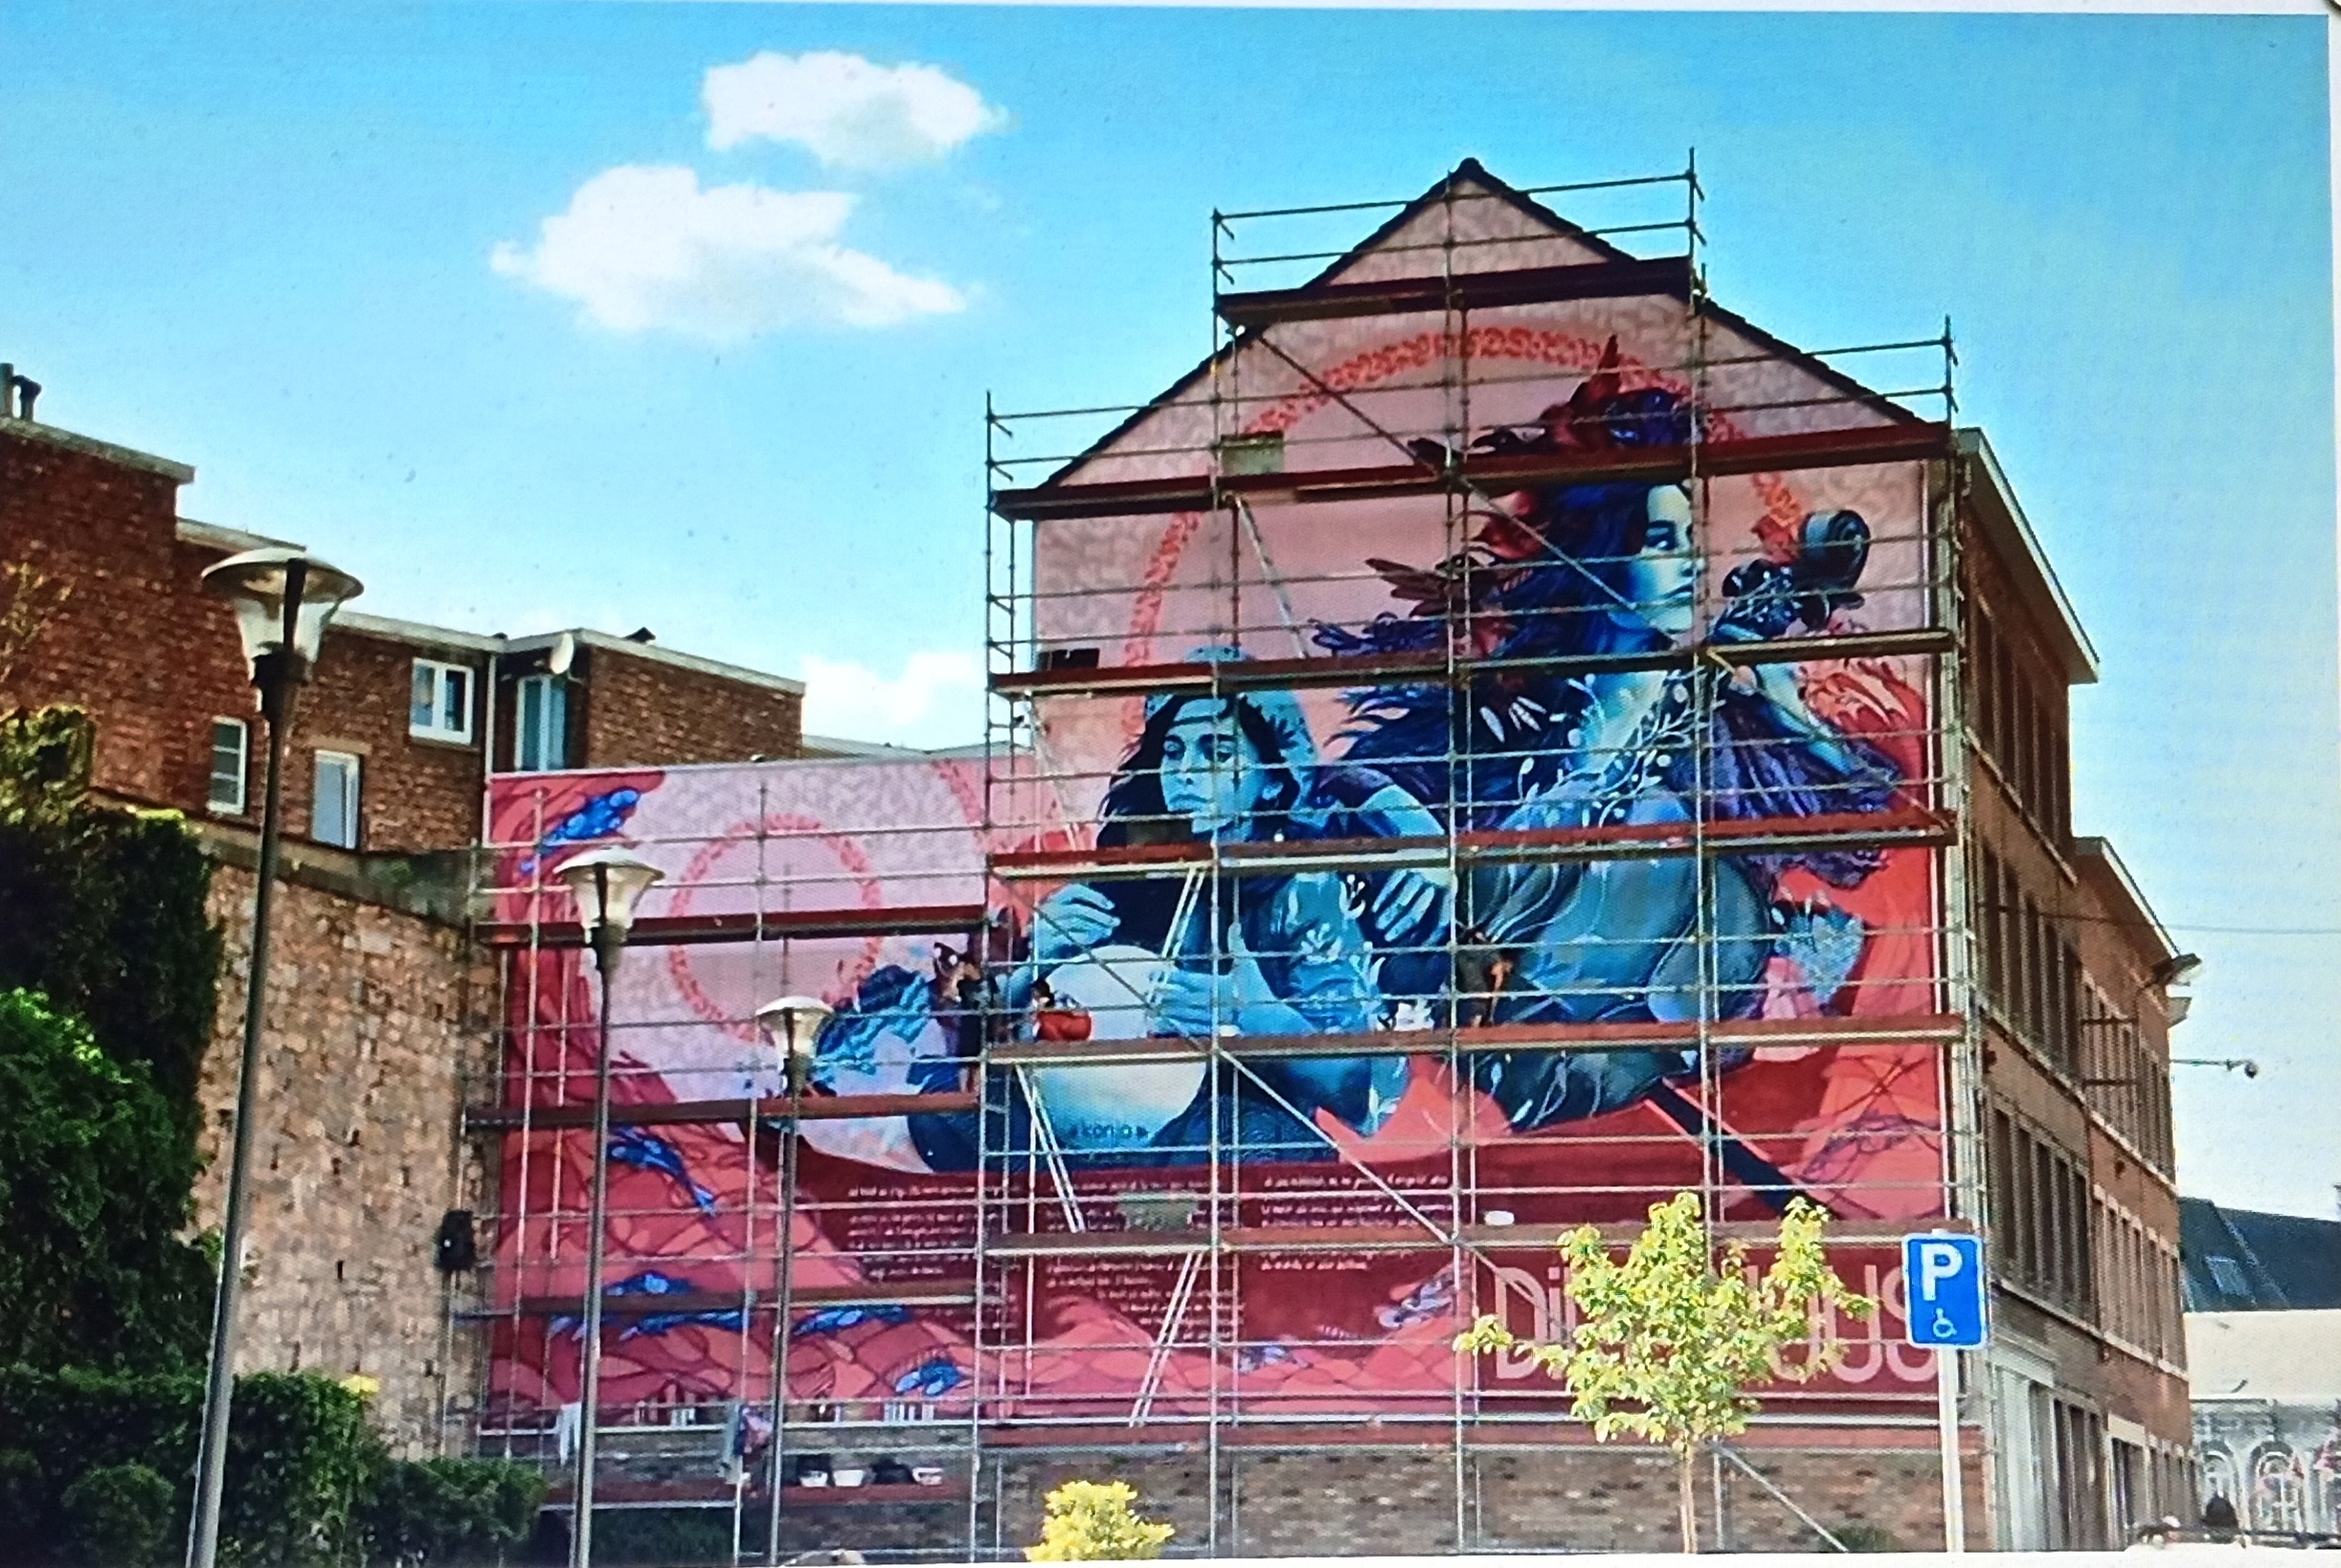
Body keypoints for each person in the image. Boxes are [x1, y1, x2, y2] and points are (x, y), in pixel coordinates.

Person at [1318, 365, 1902, 1134]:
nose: (1691, 565)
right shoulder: (1507, 703)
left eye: (1690, 540)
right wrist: (1412, 832)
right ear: (1600, 559)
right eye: (1661, 542)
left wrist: (1788, 709)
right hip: (1445, 1043)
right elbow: (1337, 786)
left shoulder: (1715, 720)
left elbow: (1862, 830)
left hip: (1590, 1067)